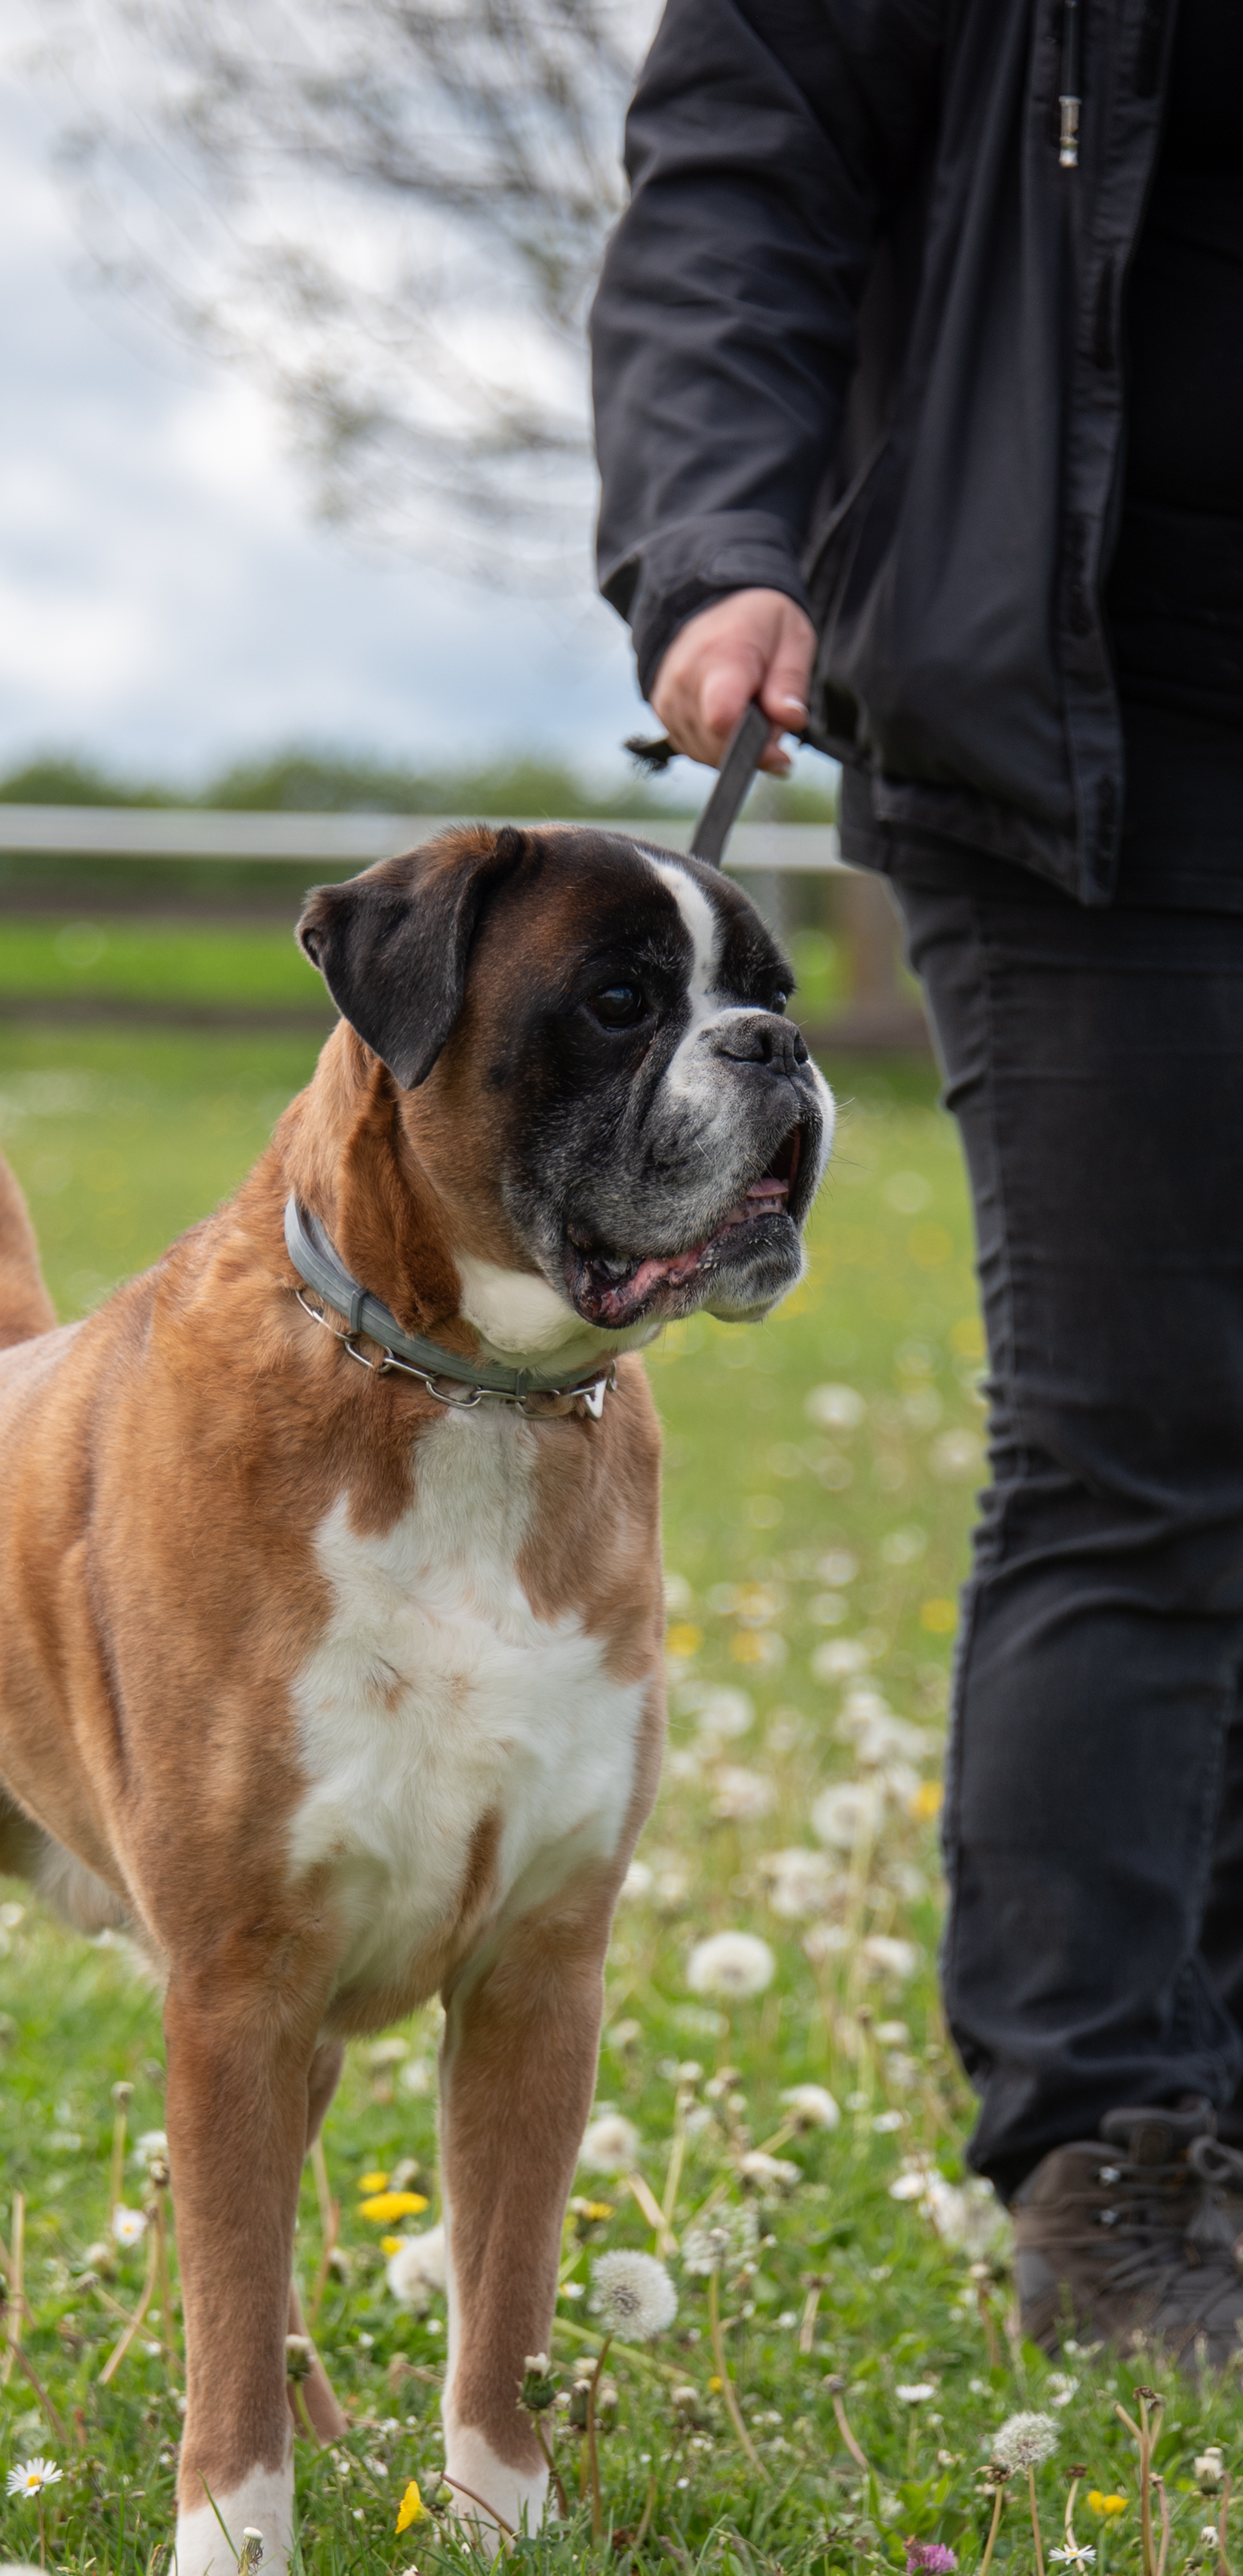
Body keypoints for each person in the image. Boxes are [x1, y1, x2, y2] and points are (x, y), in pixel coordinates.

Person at [590, 0, 1243, 2357]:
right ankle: (1114, 2145)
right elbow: (743, 171)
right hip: (1072, 728)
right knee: (1138, 1436)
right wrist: (714, 547)